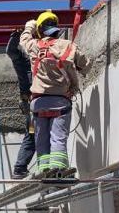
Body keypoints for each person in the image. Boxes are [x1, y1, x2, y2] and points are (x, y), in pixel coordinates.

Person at [20, 10, 89, 173]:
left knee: (41, 140)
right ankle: (57, 170)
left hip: (38, 103)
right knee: (58, 137)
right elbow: (86, 64)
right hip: (60, 102)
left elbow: (23, 40)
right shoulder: (68, 45)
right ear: (56, 28)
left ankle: (45, 171)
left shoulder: (34, 46)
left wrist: (30, 25)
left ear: (39, 30)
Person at [6, 29, 35, 179]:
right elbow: (11, 52)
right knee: (39, 135)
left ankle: (20, 167)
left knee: (32, 134)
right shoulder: (26, 59)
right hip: (33, 105)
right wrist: (15, 36)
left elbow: (11, 52)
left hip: (30, 105)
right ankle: (21, 167)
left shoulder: (27, 59)